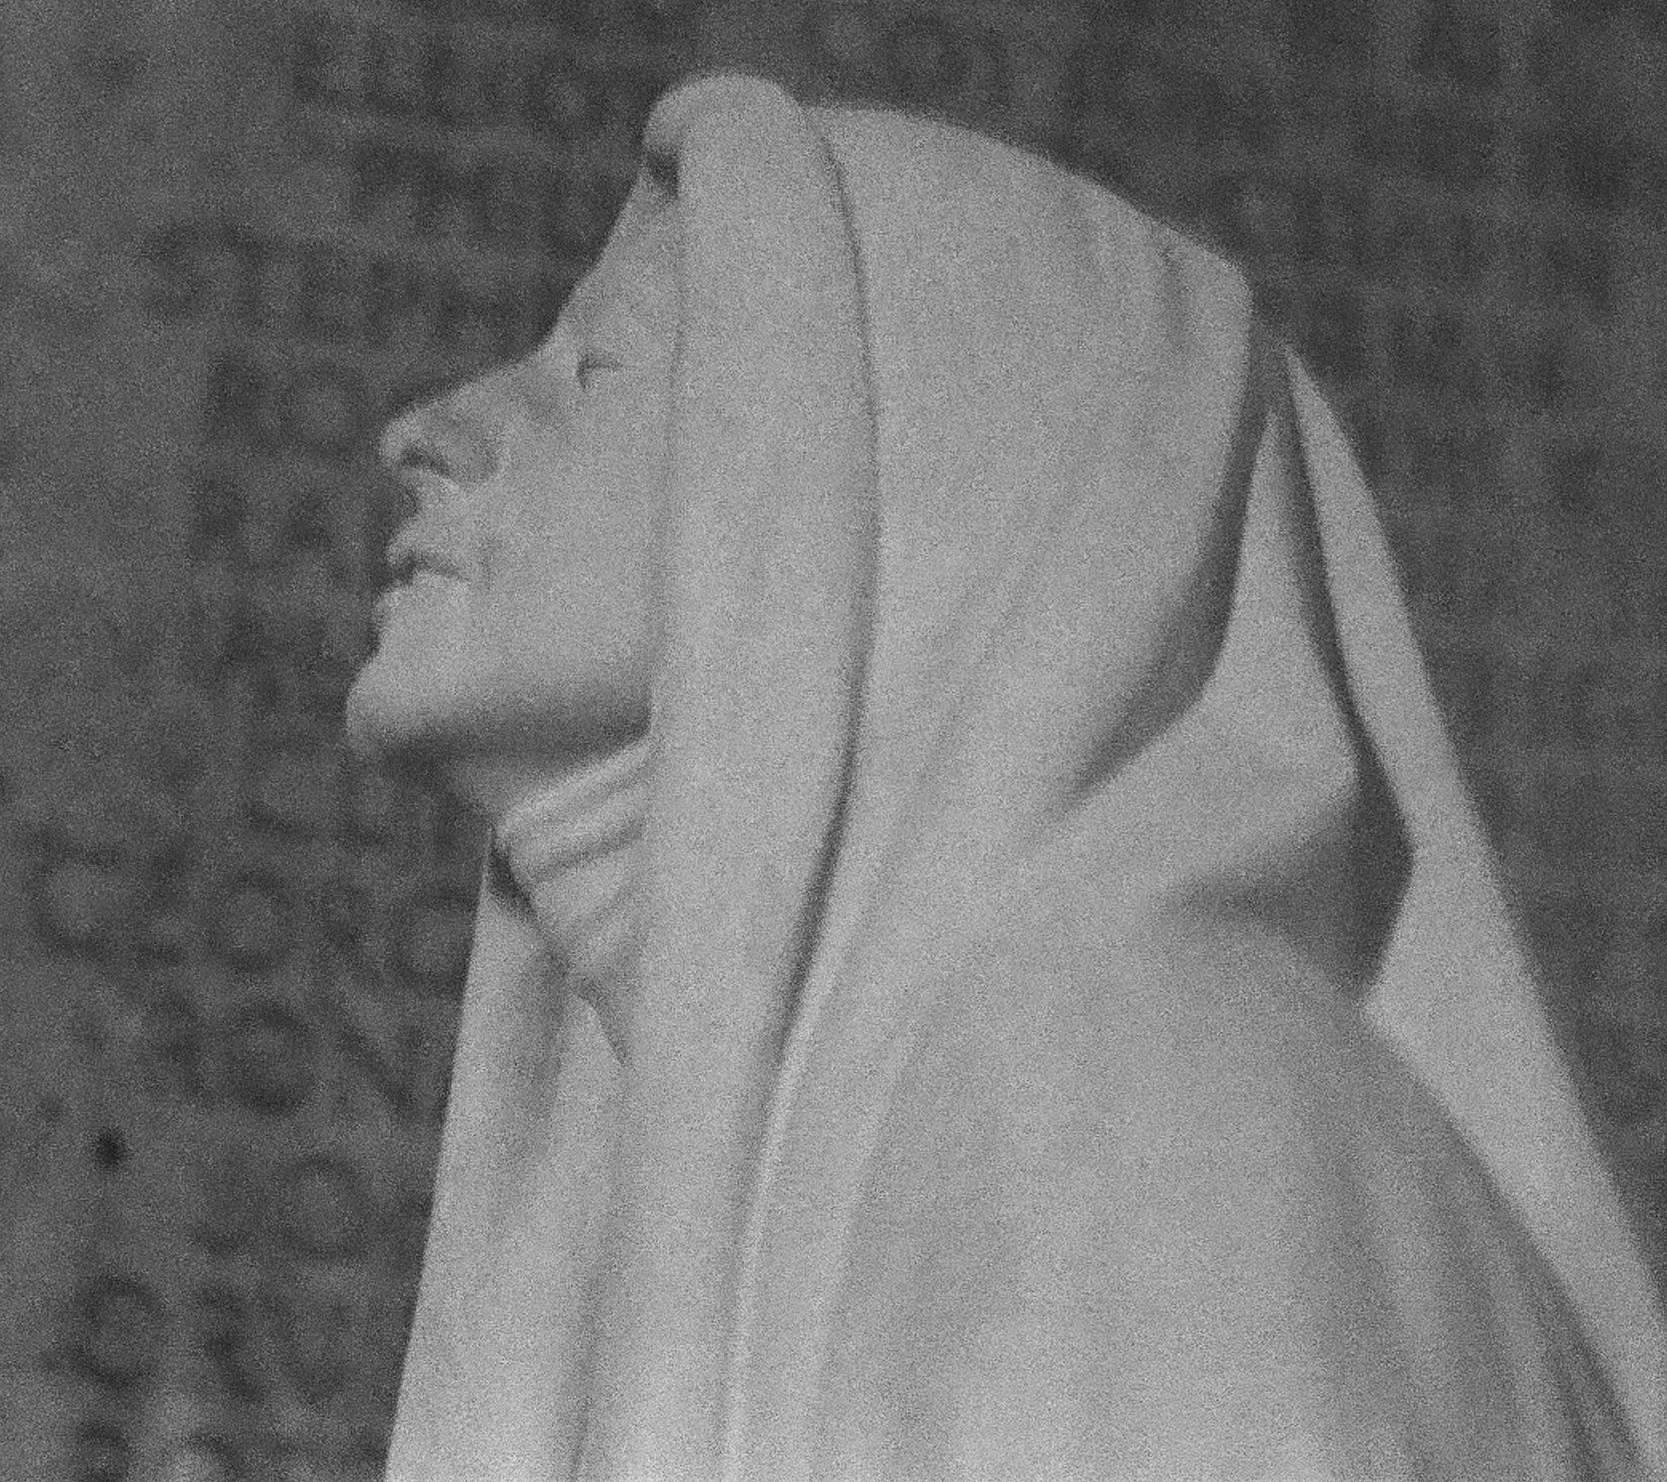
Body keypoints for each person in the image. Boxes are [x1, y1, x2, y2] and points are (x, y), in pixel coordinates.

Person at [344, 73, 1667, 1481]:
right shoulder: (939, 1082)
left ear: (913, 482)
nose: (434, 429)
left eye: (598, 372)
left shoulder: (1125, 1088)